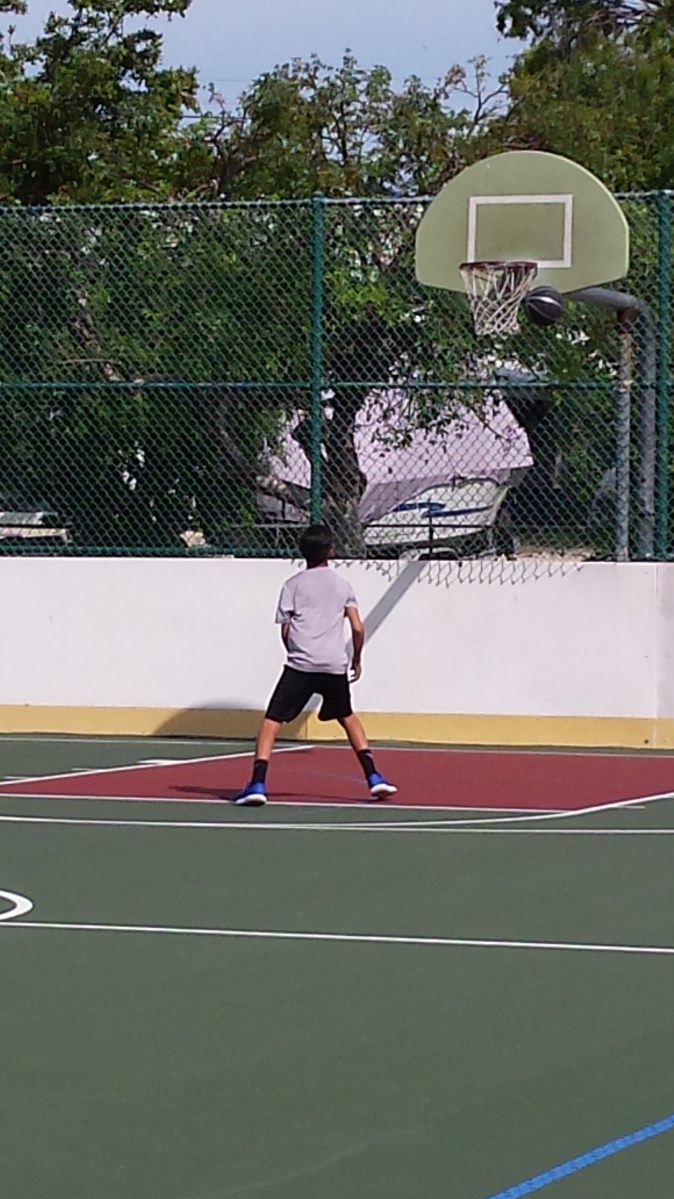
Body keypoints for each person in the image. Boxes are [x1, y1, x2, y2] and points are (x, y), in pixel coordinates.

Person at [235, 524, 397, 806]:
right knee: (348, 717)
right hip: (333, 665)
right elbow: (358, 628)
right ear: (330, 552)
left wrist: (296, 652)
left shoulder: (292, 585)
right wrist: (356, 659)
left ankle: (257, 783)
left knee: (272, 722)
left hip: (301, 664)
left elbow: (286, 630)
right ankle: (374, 777)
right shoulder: (343, 585)